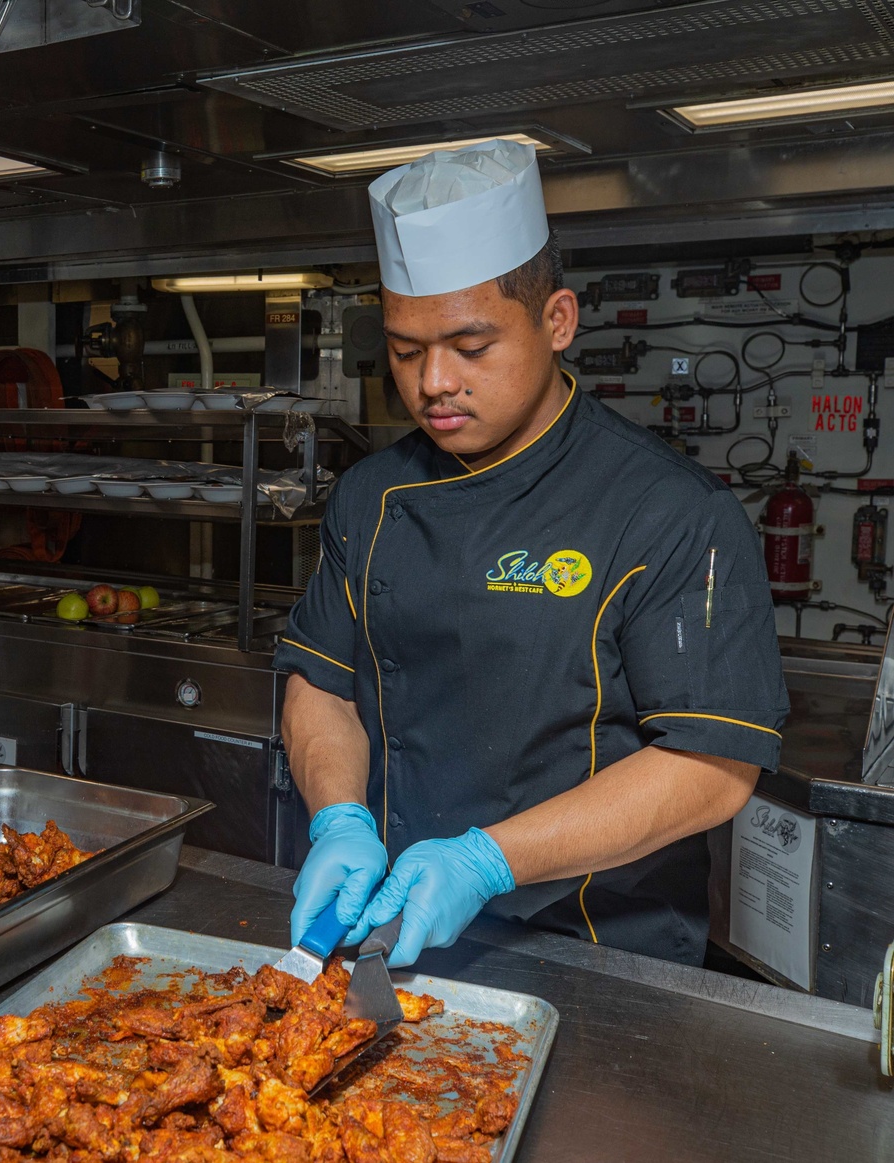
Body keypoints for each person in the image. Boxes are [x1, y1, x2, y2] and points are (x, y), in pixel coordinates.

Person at [273, 138, 789, 969]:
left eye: (471, 348)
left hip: (599, 955)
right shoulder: (372, 496)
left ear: (557, 321)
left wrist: (487, 861)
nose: (433, 381)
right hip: (391, 937)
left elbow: (713, 768)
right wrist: (339, 815)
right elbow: (320, 680)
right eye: (406, 350)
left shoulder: (668, 510)